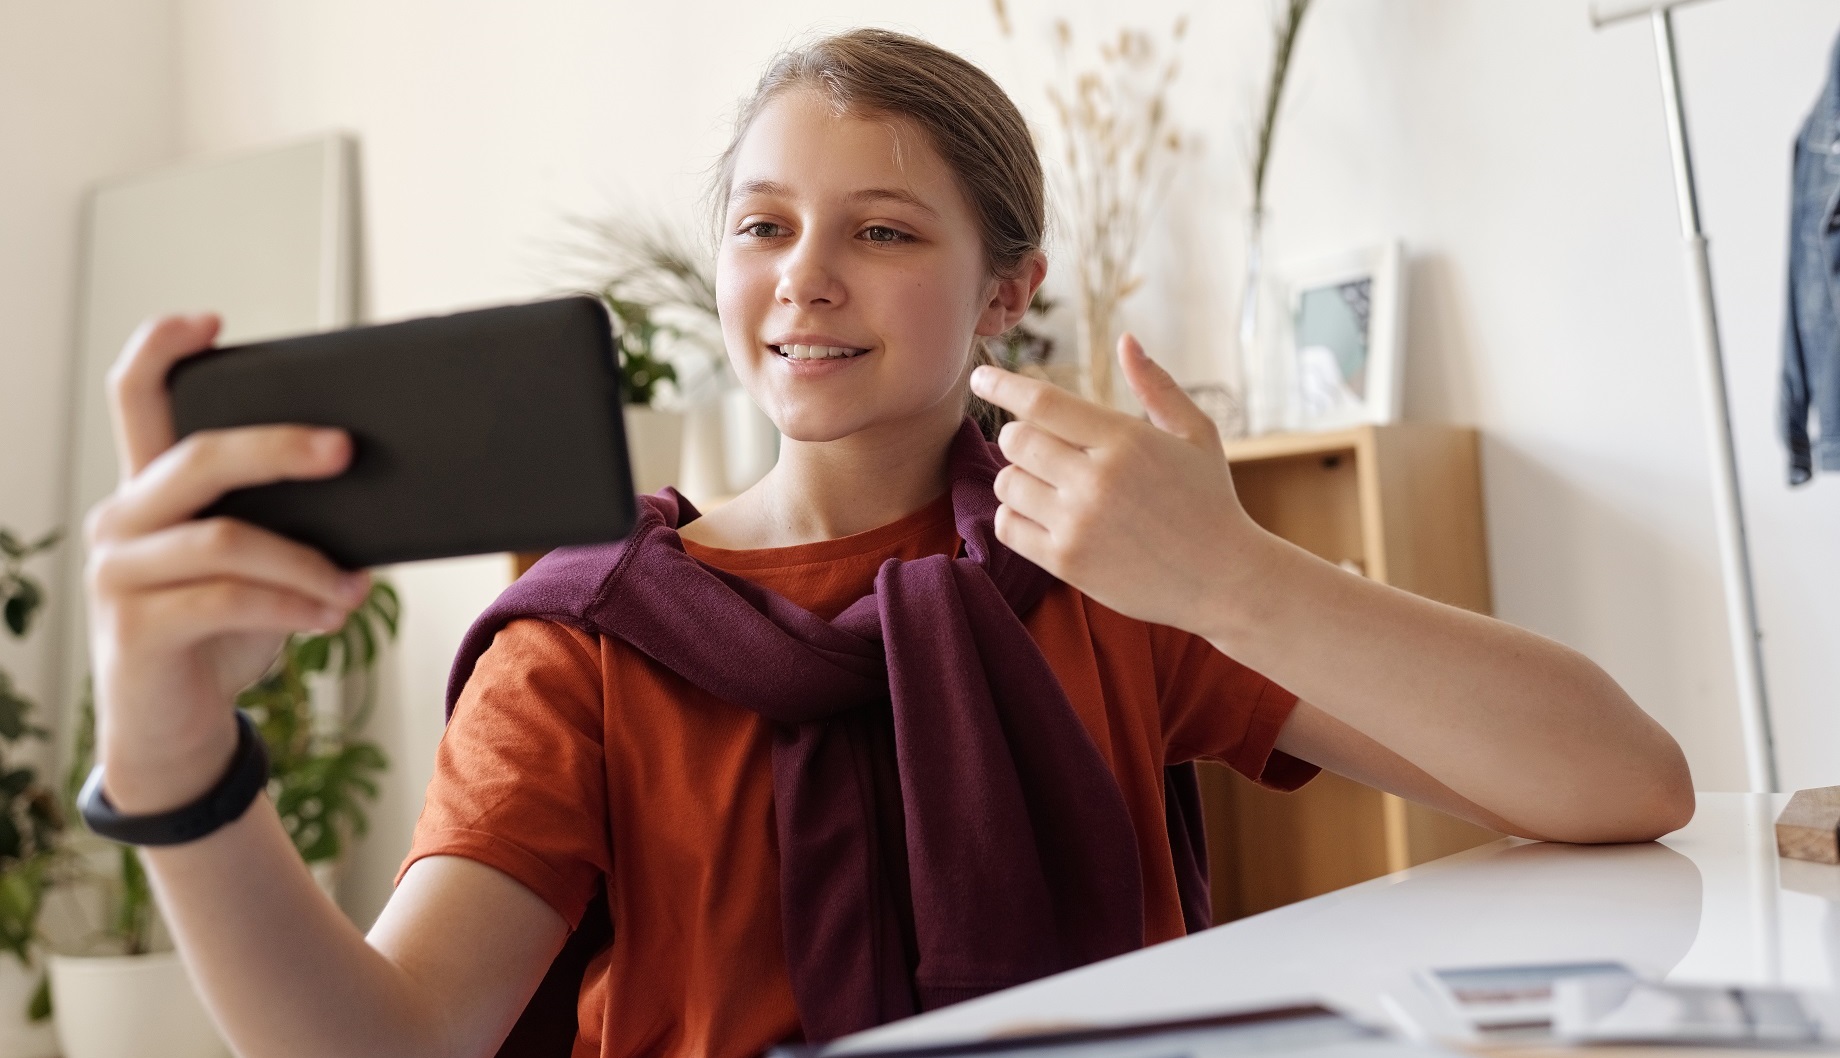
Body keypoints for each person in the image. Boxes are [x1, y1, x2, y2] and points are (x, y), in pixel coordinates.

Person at [82, 28, 1693, 1058]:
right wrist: (172, 757)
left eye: (885, 230)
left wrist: (1237, 576)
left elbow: (1625, 785)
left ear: (1007, 292)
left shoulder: (1114, 570)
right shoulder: (583, 639)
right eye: (765, 225)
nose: (806, 279)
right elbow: (393, 1046)